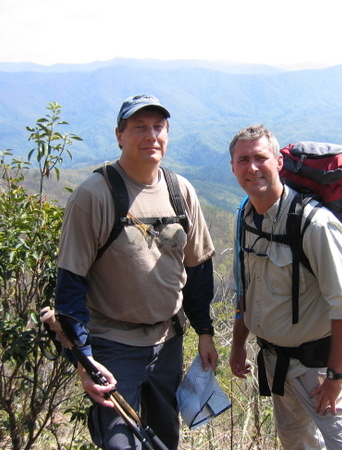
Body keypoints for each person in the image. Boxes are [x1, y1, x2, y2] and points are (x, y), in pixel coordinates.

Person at [55, 93, 218, 450]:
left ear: (168, 133)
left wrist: (205, 332)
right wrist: (85, 361)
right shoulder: (94, 195)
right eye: (139, 127)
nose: (151, 136)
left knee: (164, 441)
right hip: (113, 347)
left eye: (158, 127)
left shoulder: (180, 191)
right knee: (120, 444)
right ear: (119, 135)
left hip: (168, 344)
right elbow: (69, 286)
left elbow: (198, 271)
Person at [228, 125, 342, 450]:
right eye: (243, 160)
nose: (252, 167)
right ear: (233, 167)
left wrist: (336, 379)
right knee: (297, 445)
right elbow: (245, 293)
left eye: (260, 157)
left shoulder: (315, 225)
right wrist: (238, 345)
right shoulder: (247, 218)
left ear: (278, 162)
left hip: (320, 370)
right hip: (277, 366)